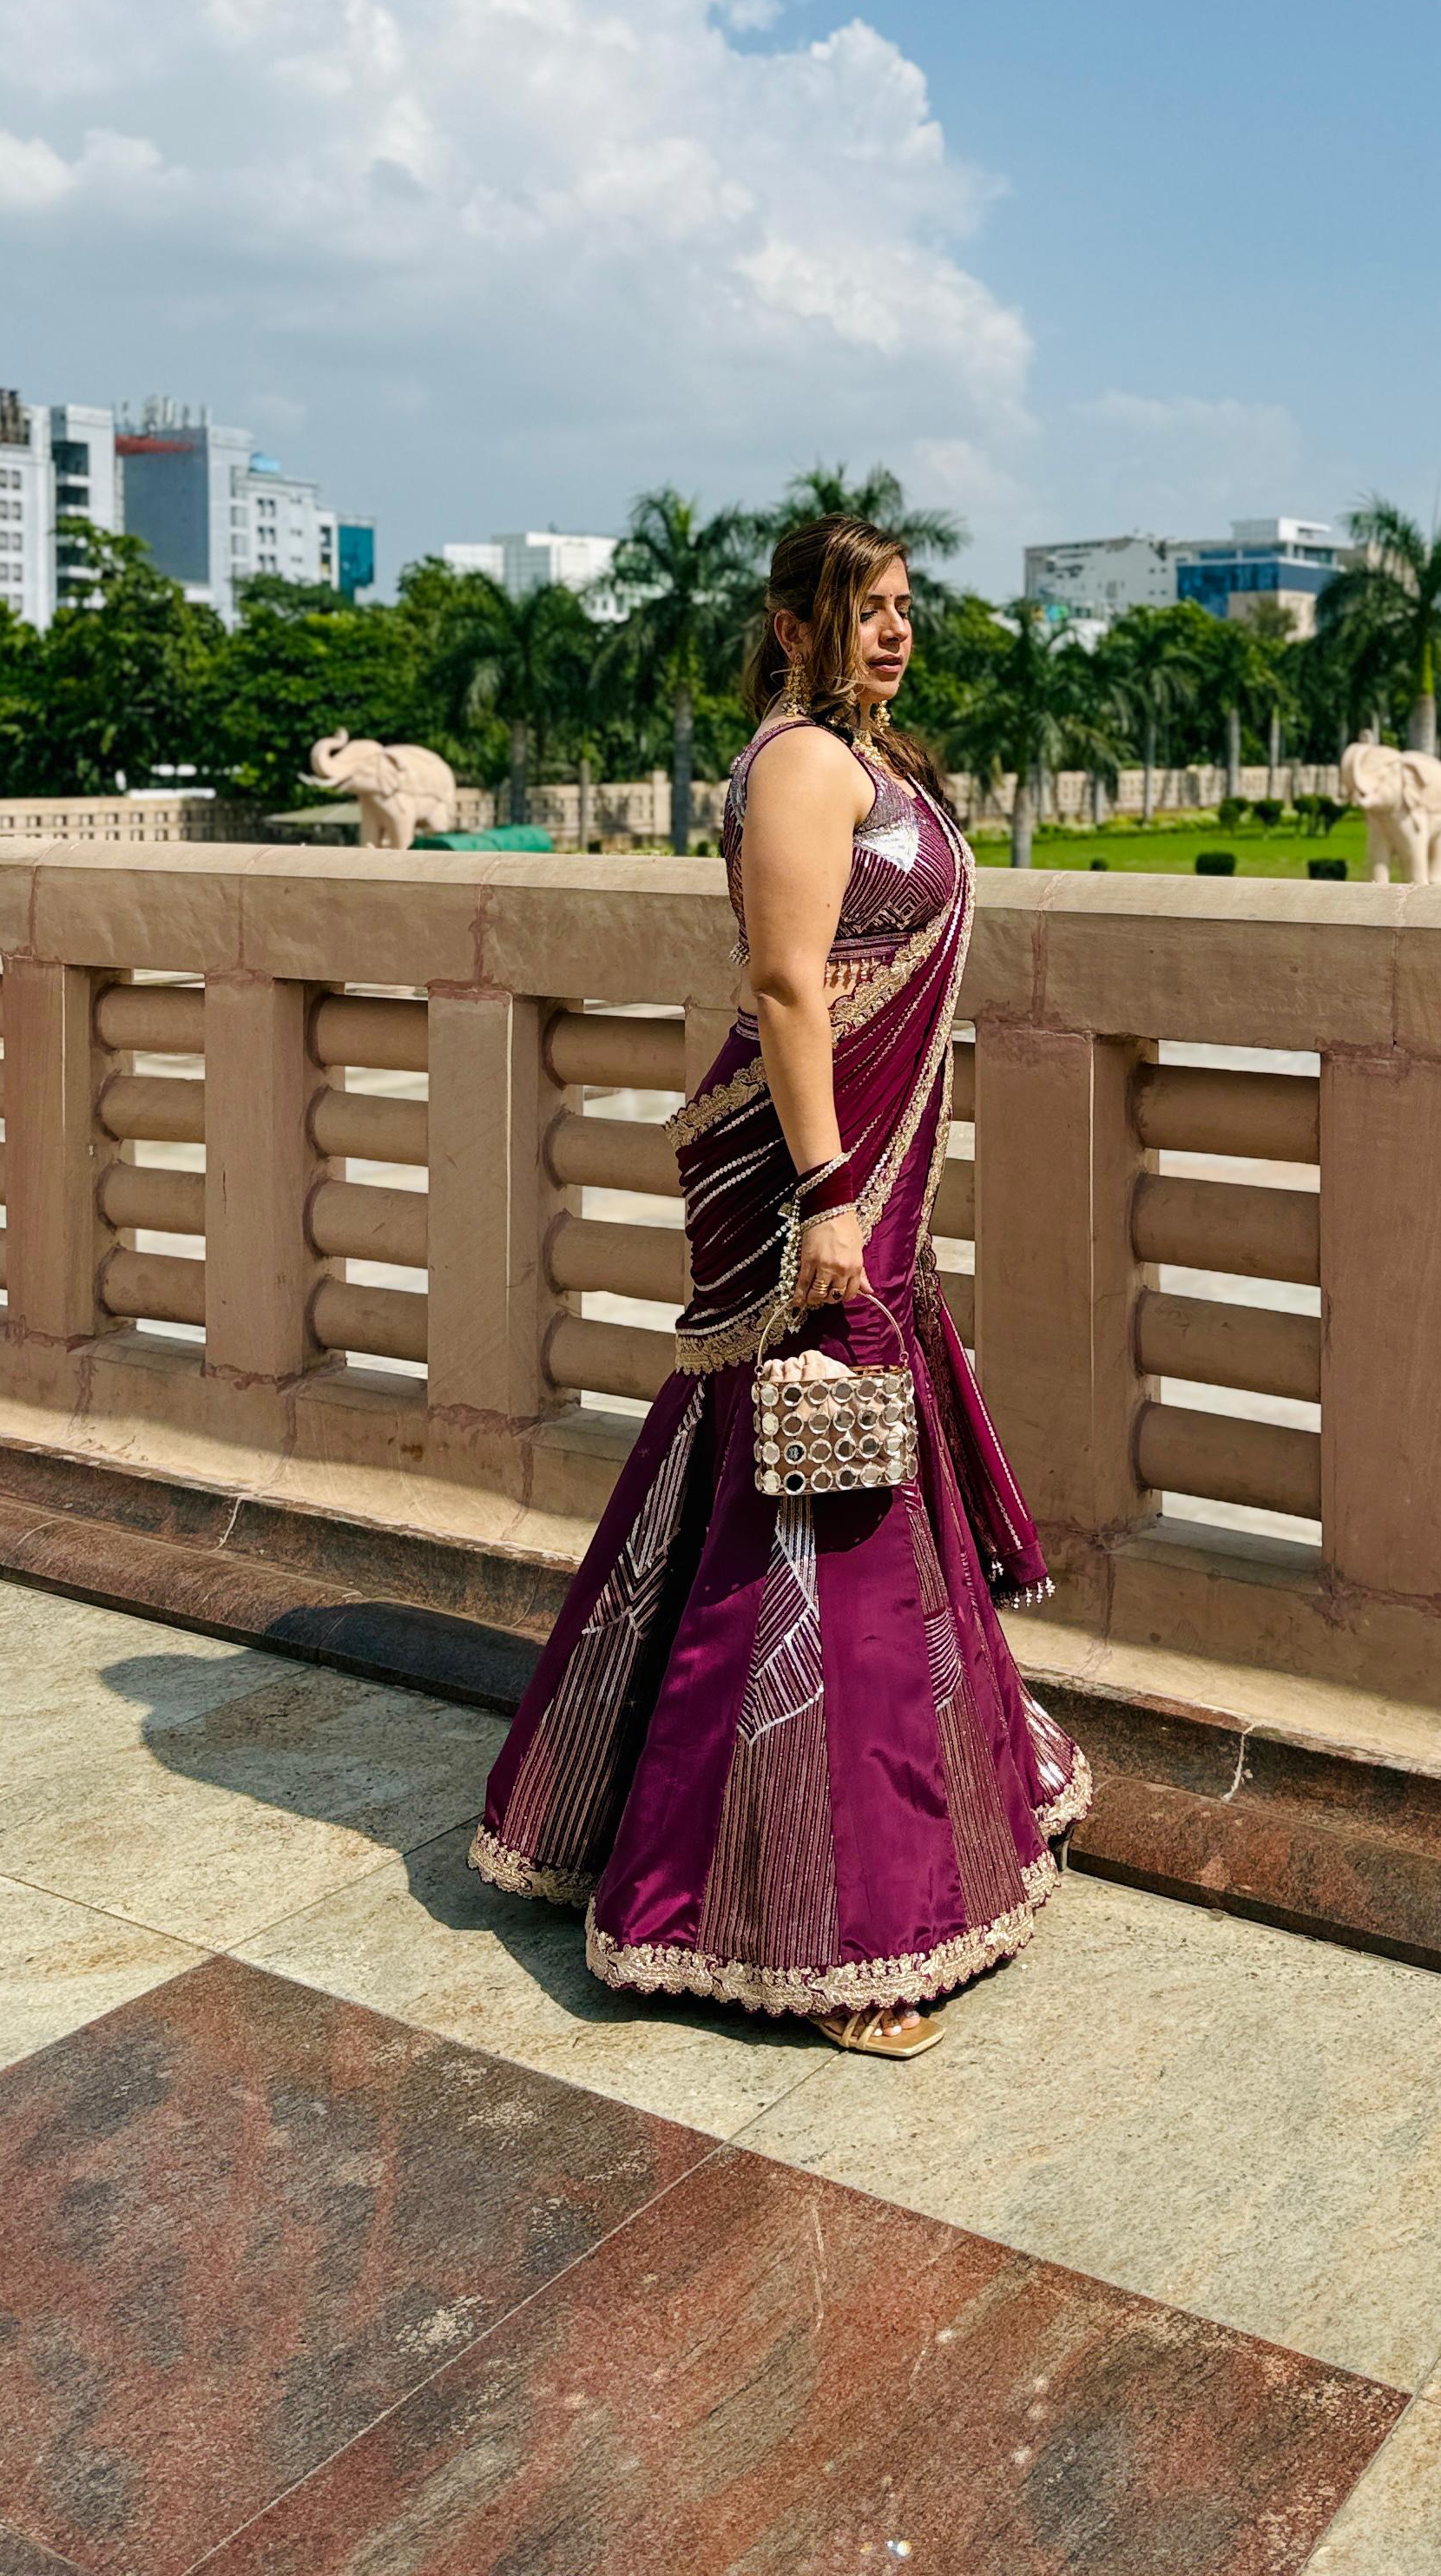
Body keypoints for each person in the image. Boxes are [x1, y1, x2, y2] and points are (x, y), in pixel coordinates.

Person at [470, 511, 1089, 2056]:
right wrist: (826, 1195)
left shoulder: (876, 759)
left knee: (781, 1484)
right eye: (862, 609)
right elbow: (787, 984)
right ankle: (824, 1918)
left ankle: (672, 1814)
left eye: (901, 605)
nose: (893, 630)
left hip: (868, 1183)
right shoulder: (805, 766)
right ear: (794, 625)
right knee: (827, 1518)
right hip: (818, 1184)